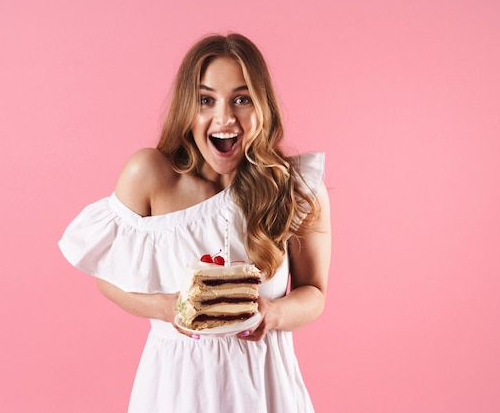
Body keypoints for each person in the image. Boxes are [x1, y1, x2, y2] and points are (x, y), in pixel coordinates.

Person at [59, 33, 331, 413]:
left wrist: (274, 314)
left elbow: (314, 293)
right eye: (206, 100)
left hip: (266, 385)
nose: (224, 117)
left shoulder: (295, 187)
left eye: (241, 98)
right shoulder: (149, 176)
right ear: (188, 107)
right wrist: (167, 308)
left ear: (262, 105)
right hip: (177, 387)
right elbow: (110, 280)